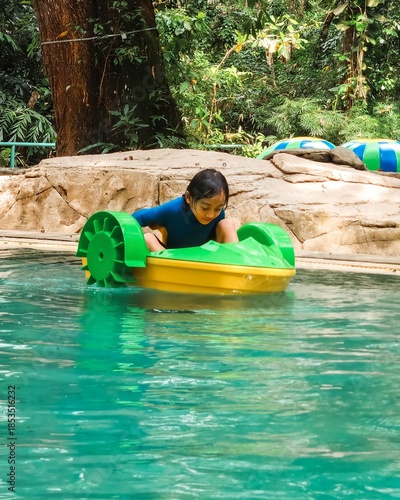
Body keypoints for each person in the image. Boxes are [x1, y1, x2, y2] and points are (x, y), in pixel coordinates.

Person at [132, 168, 239, 251]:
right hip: (174, 261)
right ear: (188, 198)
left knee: (228, 224)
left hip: (207, 261)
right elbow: (135, 218)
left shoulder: (218, 215)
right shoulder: (173, 210)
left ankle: (237, 267)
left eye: (218, 209)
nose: (211, 214)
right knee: (148, 238)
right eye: (205, 207)